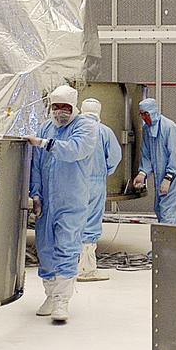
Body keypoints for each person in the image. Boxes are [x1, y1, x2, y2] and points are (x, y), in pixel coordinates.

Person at [26, 85, 98, 323]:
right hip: (47, 203)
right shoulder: (47, 127)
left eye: (64, 107)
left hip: (71, 200)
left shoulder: (85, 126)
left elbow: (75, 150)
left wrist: (46, 144)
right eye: (55, 107)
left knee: (66, 248)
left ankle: (62, 301)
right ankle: (50, 295)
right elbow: (36, 165)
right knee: (45, 250)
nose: (59, 112)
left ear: (73, 106)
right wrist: (35, 195)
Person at [77, 97, 121, 282]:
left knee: (73, 222)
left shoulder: (74, 129)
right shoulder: (104, 131)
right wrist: (104, 170)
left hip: (73, 184)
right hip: (95, 183)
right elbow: (115, 157)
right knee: (91, 223)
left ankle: (69, 266)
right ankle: (86, 269)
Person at [133, 97, 176, 224]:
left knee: (168, 212)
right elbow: (146, 154)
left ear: (153, 112)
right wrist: (142, 173)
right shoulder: (147, 129)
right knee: (159, 209)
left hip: (174, 177)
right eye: (141, 114)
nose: (144, 118)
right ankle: (164, 241)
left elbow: (175, 156)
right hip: (159, 176)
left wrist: (168, 177)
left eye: (146, 114)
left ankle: (168, 242)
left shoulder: (169, 128)